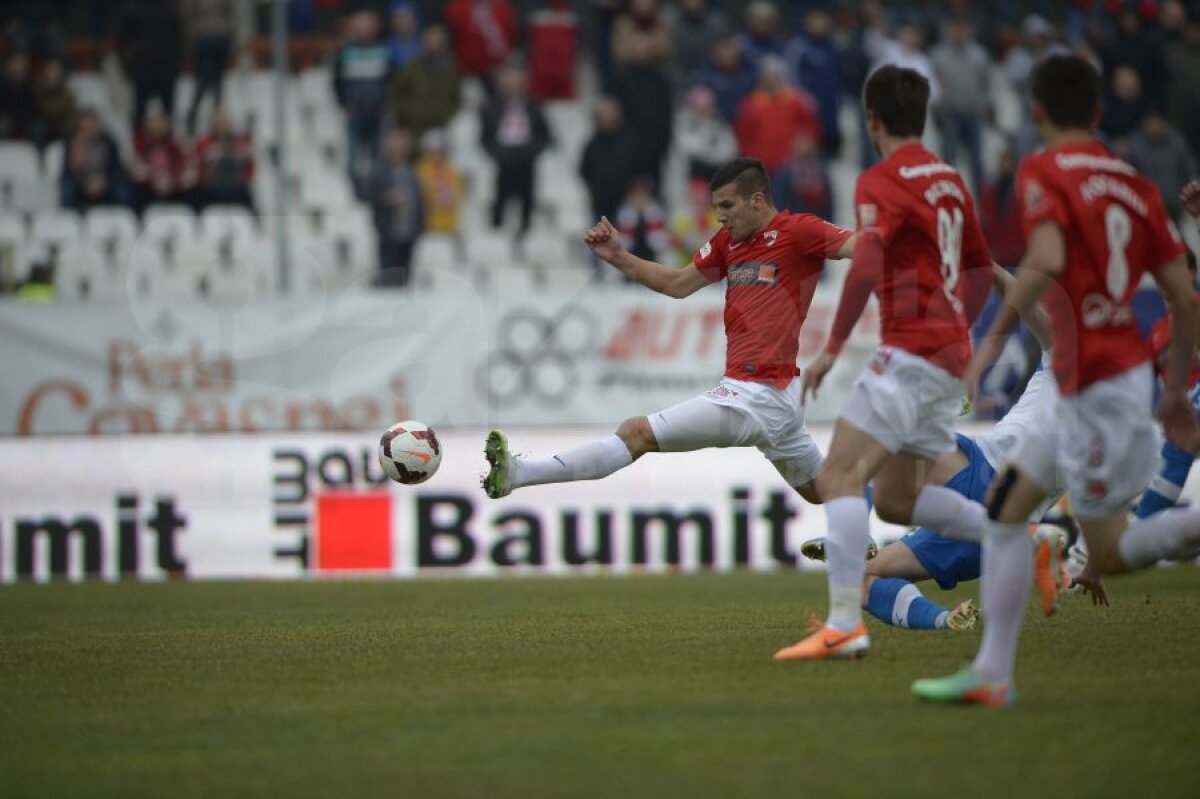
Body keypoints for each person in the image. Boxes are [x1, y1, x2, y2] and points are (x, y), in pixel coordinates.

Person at [912, 55, 1200, 707]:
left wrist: (986, 346)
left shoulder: (1043, 169)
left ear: (1036, 111)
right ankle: (992, 673)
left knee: (1114, 551)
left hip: (1098, 389)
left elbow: (1043, 259)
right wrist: (1177, 389)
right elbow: (1183, 298)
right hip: (1100, 379)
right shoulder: (1136, 185)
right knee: (1007, 511)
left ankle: (993, 671)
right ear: (1099, 112)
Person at [773, 65, 993, 662]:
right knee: (895, 499)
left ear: (870, 120)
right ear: (922, 116)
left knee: (838, 478)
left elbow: (866, 265)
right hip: (949, 353)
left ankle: (845, 623)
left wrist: (833, 348)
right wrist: (959, 334)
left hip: (910, 349)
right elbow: (979, 267)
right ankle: (1020, 535)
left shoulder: (881, 179)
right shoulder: (950, 178)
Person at [482, 158, 855, 505]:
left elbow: (862, 245)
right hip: (775, 396)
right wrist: (619, 257)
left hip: (758, 395)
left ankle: (519, 474)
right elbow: (678, 283)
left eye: (728, 206)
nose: (720, 217)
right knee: (821, 491)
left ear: (757, 200)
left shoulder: (798, 231)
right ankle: (881, 533)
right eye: (717, 208)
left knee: (636, 434)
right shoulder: (730, 243)